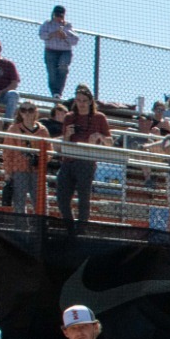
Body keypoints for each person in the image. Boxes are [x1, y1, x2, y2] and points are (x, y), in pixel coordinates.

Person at [57, 85, 112, 230]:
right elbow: (64, 143)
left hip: (86, 161)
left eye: (84, 100)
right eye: (78, 100)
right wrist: (68, 135)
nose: (81, 103)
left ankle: (81, 229)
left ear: (90, 102)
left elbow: (110, 142)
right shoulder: (69, 117)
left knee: (83, 198)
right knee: (62, 199)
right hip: (69, 161)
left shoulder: (99, 117)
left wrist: (100, 136)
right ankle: (70, 228)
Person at [0, 101, 49, 208]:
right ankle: (21, 225)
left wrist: (39, 160)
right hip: (19, 170)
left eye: (30, 110)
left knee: (41, 204)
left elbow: (49, 151)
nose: (27, 113)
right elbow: (7, 152)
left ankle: (40, 225)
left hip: (37, 171)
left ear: (35, 112)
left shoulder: (42, 130)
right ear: (20, 113)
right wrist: (8, 172)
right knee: (19, 204)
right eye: (23, 110)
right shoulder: (14, 129)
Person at [38, 6, 79, 98]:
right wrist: (52, 34)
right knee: (52, 72)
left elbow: (75, 40)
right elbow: (41, 35)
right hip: (50, 51)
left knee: (63, 68)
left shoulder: (68, 26)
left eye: (61, 16)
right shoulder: (47, 24)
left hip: (65, 52)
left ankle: (59, 92)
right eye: (57, 15)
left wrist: (65, 36)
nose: (58, 18)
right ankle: (54, 93)